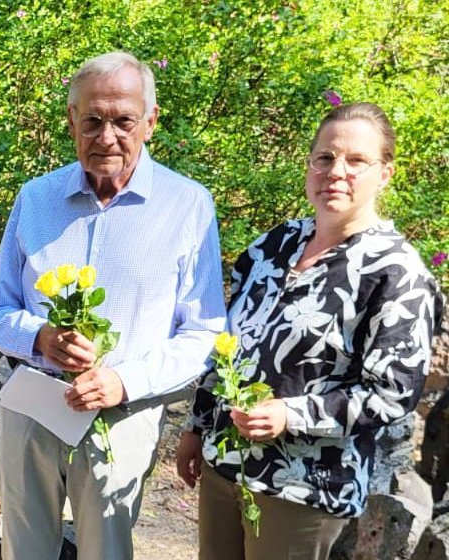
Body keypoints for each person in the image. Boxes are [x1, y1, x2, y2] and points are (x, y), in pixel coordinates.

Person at [0, 51, 226, 559]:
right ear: (72, 120)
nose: (106, 136)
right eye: (92, 120)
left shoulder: (188, 205)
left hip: (123, 415)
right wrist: (40, 337)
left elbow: (204, 334)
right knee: (24, 549)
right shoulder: (36, 198)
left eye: (123, 121)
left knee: (105, 552)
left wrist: (124, 381)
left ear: (150, 122)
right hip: (34, 407)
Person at [177, 102, 443, 559]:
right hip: (227, 468)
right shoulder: (275, 245)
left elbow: (392, 394)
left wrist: (290, 414)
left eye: (356, 160)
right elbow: (226, 347)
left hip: (305, 488)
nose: (336, 171)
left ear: (385, 173)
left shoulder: (396, 272)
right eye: (325, 157)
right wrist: (197, 426)